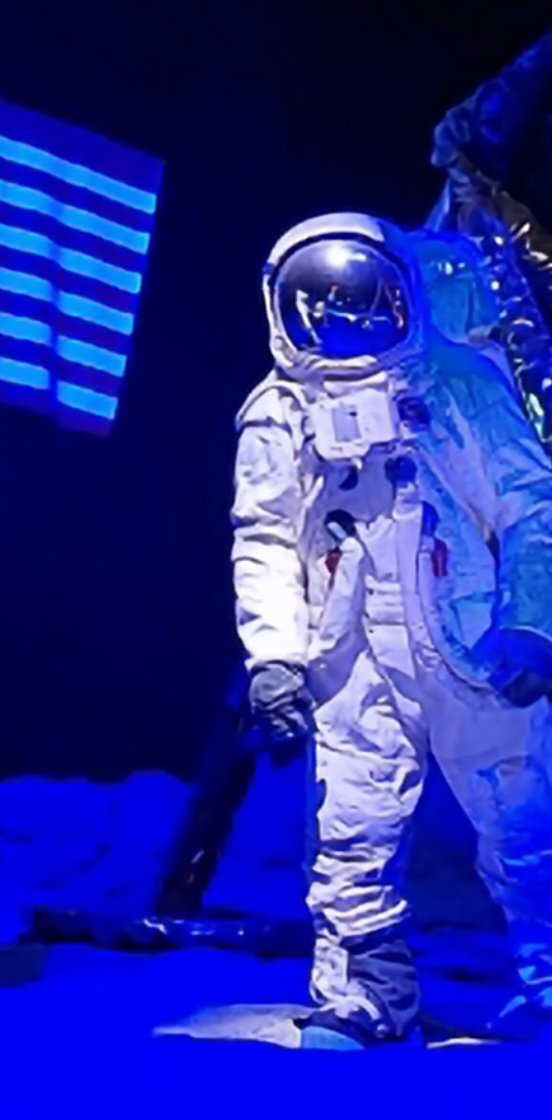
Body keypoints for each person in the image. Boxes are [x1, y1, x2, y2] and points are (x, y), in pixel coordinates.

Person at [234, 210, 552, 1048]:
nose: (344, 320)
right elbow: (266, 540)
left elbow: (532, 511)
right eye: (323, 304)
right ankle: (365, 998)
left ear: (399, 295)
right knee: (352, 825)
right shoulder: (280, 411)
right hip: (351, 656)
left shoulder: (457, 387)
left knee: (525, 819)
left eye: (362, 299)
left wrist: (531, 625)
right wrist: (274, 656)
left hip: (474, 646)